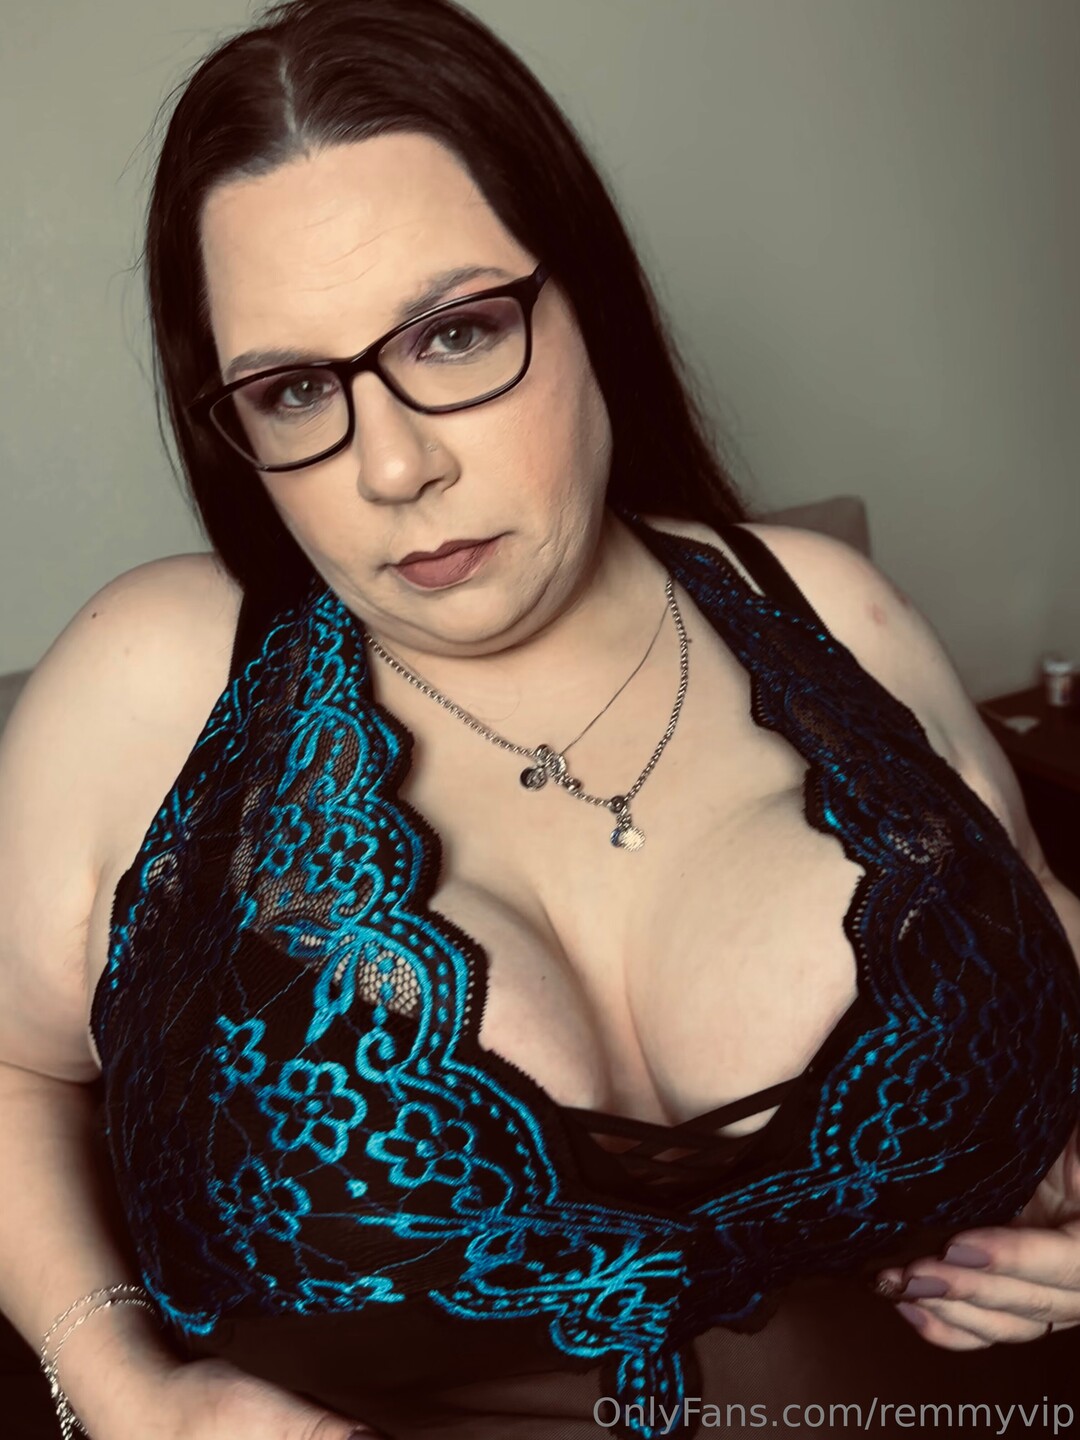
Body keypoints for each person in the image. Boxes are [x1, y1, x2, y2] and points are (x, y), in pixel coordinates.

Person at [1, 1, 1079, 1437]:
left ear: (589, 304)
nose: (394, 467)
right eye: (296, 389)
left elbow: (1041, 939)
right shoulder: (152, 680)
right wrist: (123, 1388)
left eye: (455, 333)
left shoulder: (824, 607)